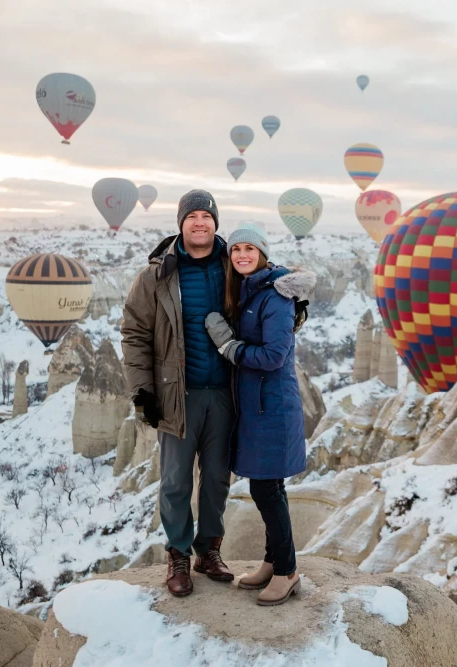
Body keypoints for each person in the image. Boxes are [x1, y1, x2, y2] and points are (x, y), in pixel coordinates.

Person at [120, 189, 236, 598]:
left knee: (217, 479)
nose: (200, 223)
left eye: (207, 216)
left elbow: (266, 301)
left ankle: (209, 550)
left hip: (225, 392)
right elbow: (134, 333)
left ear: (215, 223)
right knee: (175, 481)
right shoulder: (156, 275)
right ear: (181, 224)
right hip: (177, 395)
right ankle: (179, 555)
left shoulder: (234, 266)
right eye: (192, 217)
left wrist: (293, 306)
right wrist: (142, 391)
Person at [204, 221, 315, 606]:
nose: (242, 255)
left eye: (249, 248)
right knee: (268, 488)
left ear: (262, 253)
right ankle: (272, 563)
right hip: (256, 406)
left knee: (266, 489)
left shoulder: (275, 296)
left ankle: (287, 572)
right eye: (236, 249)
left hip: (273, 408)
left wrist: (230, 348)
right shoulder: (249, 291)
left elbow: (274, 356)